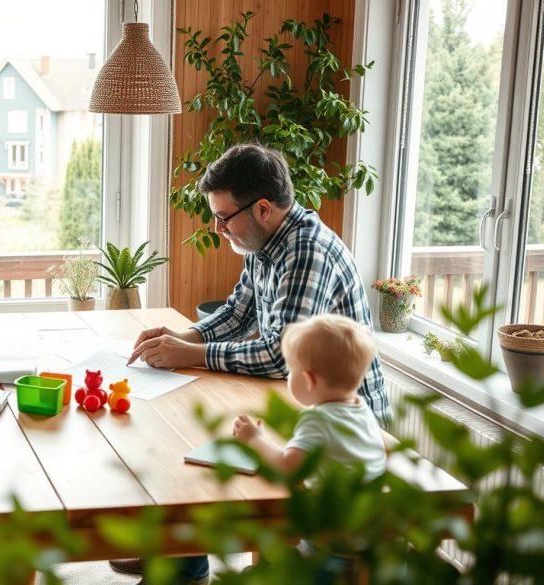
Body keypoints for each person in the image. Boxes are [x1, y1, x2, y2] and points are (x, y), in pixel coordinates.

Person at [113, 143, 389, 584]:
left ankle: (187, 562)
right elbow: (239, 312)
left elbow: (280, 356)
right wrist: (184, 337)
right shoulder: (265, 241)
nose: (218, 228)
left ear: (262, 208)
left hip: (342, 418)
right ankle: (183, 553)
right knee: (190, 429)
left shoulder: (304, 251)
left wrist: (193, 354)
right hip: (304, 396)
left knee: (211, 434)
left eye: (224, 217)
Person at [232, 314, 387, 583]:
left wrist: (254, 439)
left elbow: (286, 467)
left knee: (274, 539)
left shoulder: (318, 420)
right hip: (370, 539)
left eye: (291, 369)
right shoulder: (361, 410)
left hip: (332, 546)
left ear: (309, 380)